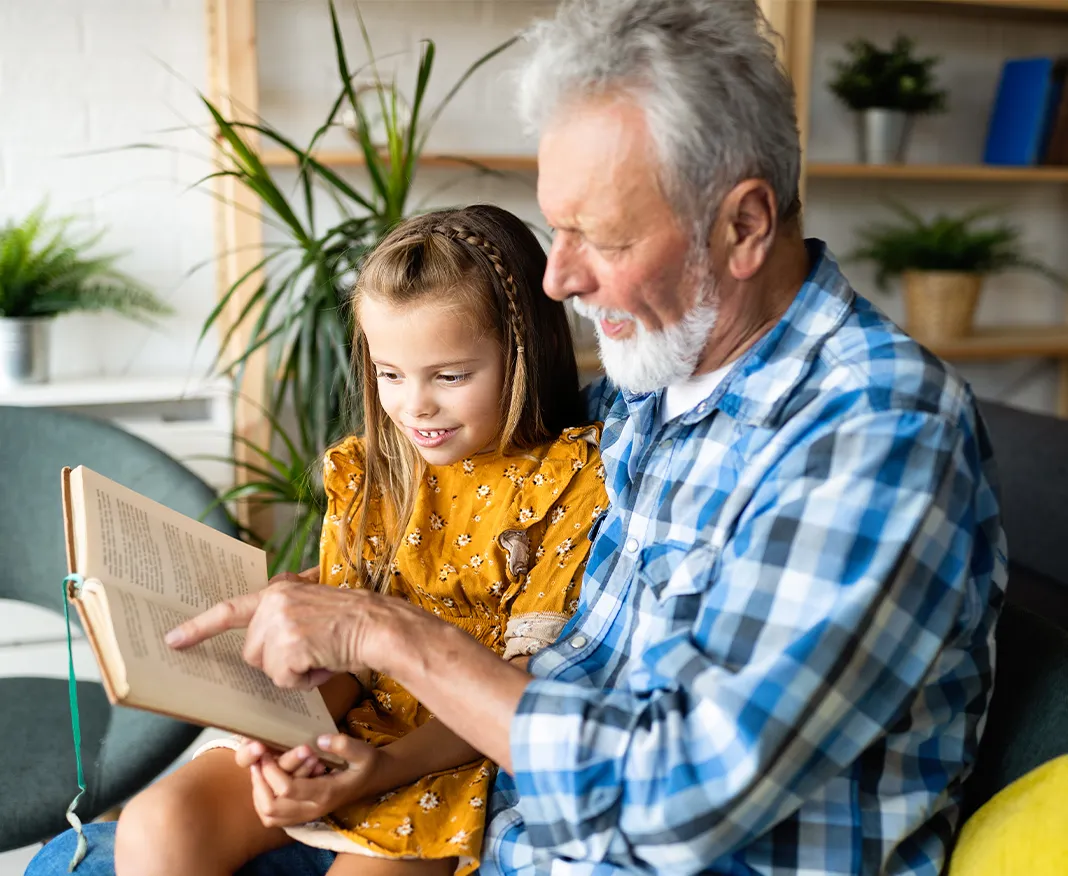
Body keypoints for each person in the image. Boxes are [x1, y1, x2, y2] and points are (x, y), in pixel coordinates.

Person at [29, 1, 1007, 875]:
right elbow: (563, 654)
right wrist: (319, 700)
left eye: (604, 239)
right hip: (505, 813)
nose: (557, 281)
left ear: (744, 225)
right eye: (556, 230)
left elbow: (682, 803)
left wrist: (388, 636)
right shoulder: (659, 384)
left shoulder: (873, 437)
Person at [116, 205, 605, 876]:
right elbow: (338, 662)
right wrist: (293, 743)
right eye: (390, 374)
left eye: (451, 376)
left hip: (447, 753)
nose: (414, 407)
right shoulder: (369, 473)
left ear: (525, 353)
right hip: (341, 729)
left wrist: (381, 770)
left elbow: (519, 689)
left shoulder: (568, 480)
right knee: (156, 822)